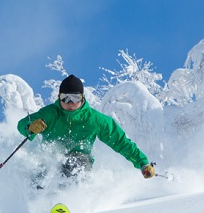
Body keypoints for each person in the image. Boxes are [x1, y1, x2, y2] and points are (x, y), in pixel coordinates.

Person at [17, 74, 155, 183]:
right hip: (51, 158)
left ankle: (70, 201)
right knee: (43, 167)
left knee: (73, 163)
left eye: (75, 98)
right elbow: (22, 124)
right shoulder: (50, 114)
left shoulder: (94, 119)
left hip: (79, 161)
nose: (70, 103)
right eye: (65, 98)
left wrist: (142, 163)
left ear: (82, 99)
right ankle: (38, 206)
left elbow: (121, 142)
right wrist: (29, 128)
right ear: (59, 98)